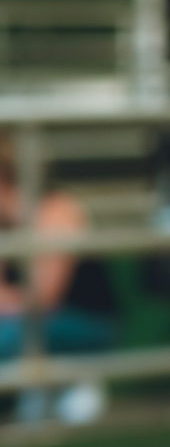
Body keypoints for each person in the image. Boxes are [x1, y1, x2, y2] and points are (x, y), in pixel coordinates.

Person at [0, 132, 117, 420]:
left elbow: (44, 299)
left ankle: (70, 389)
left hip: (85, 321)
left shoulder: (58, 209)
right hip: (25, 322)